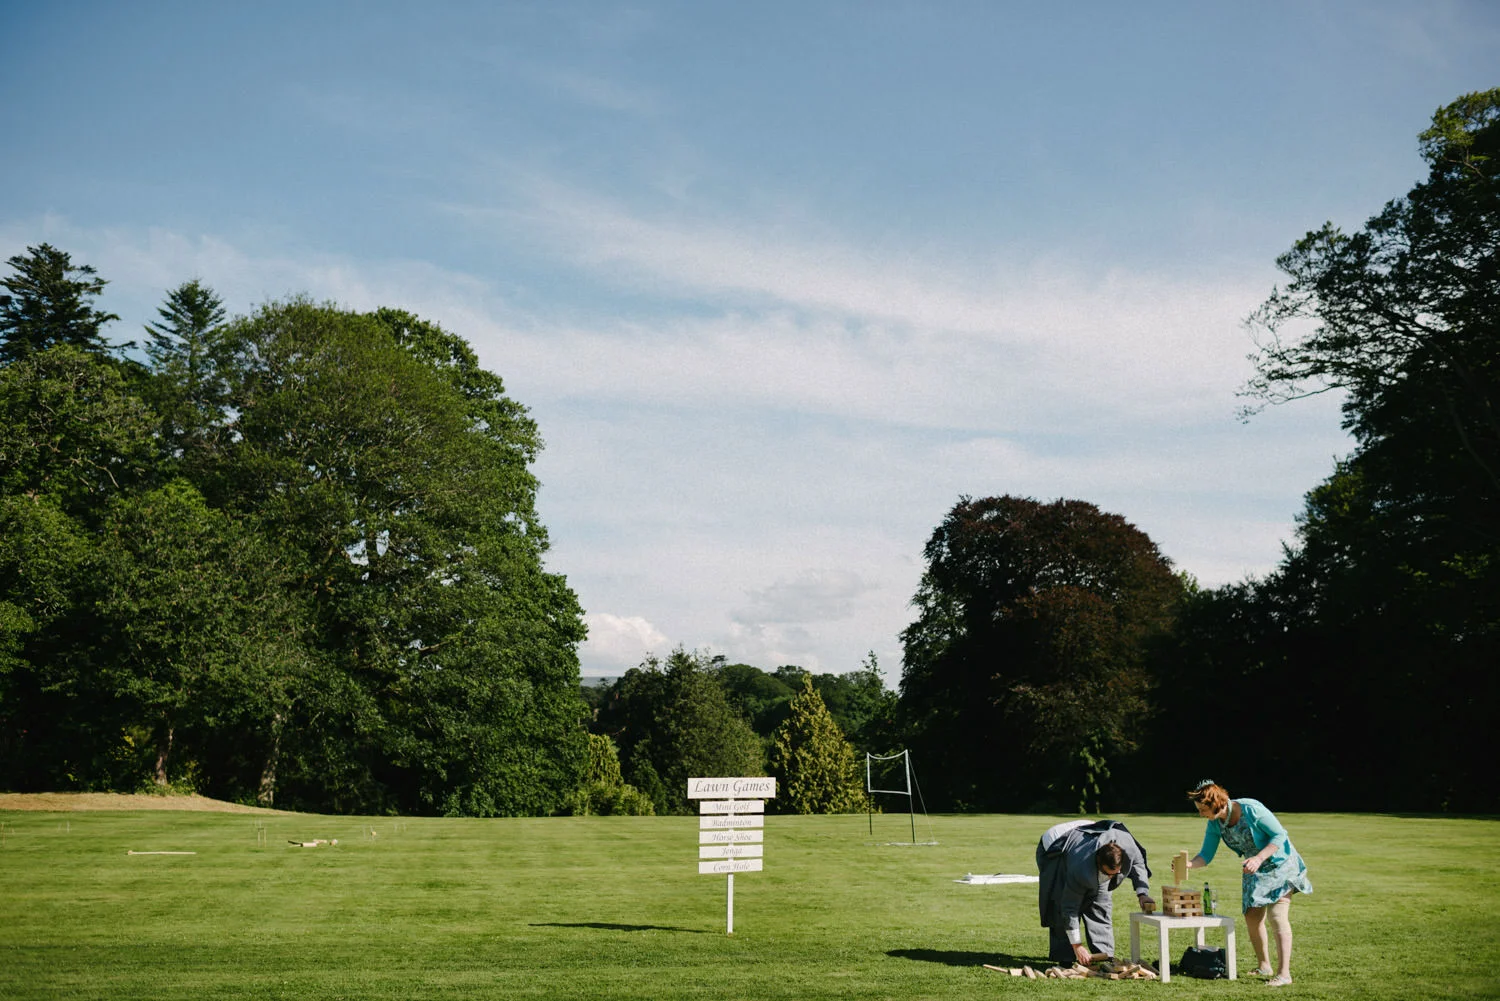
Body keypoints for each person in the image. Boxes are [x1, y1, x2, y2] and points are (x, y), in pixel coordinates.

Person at [1185, 780, 1313, 987]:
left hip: (1278, 864)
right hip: (1253, 868)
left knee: (1277, 916)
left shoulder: (1251, 808)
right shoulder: (1215, 823)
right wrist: (1188, 864)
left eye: (1203, 809)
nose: (1201, 814)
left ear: (1217, 803)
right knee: (1252, 917)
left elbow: (1280, 835)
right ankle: (1264, 965)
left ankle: (1284, 974)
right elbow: (1206, 855)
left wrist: (1258, 858)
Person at [1035, 819, 1155, 966]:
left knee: (1101, 904)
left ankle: (1104, 956)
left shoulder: (1128, 847)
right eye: (1107, 873)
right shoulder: (1080, 869)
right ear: (1098, 864)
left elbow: (1138, 864)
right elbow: (1069, 907)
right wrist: (1077, 945)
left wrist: (1142, 893)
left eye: (1115, 874)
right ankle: (1065, 957)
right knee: (1059, 900)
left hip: (1088, 834)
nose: (1111, 877)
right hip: (1055, 845)